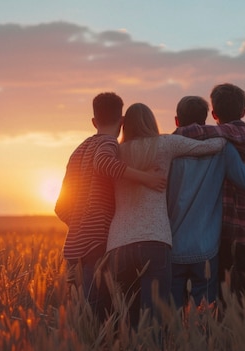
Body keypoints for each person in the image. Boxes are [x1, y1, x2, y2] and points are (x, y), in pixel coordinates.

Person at [106, 102, 225, 327]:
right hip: (154, 241)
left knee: (127, 318)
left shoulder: (116, 152)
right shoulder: (165, 144)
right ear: (152, 122)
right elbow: (212, 146)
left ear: (125, 125)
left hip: (118, 244)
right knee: (154, 319)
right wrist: (225, 129)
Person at [54, 92, 166, 320]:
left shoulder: (78, 151)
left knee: (89, 313)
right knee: (104, 313)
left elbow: (60, 206)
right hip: (99, 242)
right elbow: (104, 163)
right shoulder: (108, 143)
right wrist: (147, 178)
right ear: (122, 121)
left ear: (94, 122)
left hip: (76, 244)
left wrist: (79, 222)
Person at [167, 96, 245, 309]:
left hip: (173, 246)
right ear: (207, 118)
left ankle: (175, 343)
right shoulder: (221, 148)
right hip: (207, 248)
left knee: (171, 315)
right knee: (206, 316)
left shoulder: (167, 148)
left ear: (176, 120)